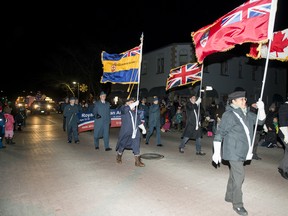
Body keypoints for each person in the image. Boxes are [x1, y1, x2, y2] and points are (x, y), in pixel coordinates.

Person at [212, 90, 266, 216]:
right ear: (233, 102)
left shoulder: (247, 113)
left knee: (234, 175)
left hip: (243, 150)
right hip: (233, 151)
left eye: (245, 99)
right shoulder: (229, 115)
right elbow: (220, 133)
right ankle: (238, 204)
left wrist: (262, 109)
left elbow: (261, 121)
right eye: (241, 99)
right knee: (239, 176)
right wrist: (216, 152)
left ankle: (229, 196)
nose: (244, 101)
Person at [115, 98, 146, 167]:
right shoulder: (123, 108)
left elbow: (138, 121)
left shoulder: (135, 112)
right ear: (127, 103)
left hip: (135, 131)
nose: (133, 104)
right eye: (131, 102)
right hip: (126, 131)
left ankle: (137, 162)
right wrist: (134, 104)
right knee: (122, 144)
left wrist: (143, 129)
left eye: (133, 103)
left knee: (136, 144)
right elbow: (126, 109)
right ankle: (119, 156)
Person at [277, 98, 288, 180]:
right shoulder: (284, 106)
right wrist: (287, 136)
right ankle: (284, 169)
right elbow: (283, 122)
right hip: (284, 134)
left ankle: (282, 167)